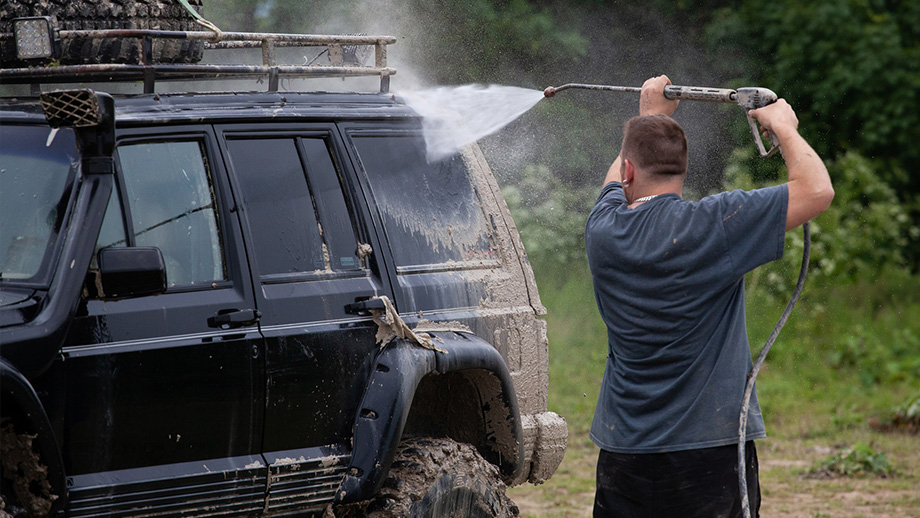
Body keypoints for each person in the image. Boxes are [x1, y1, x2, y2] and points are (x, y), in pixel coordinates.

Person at [585, 75, 834, 518]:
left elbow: (613, 183)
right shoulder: (716, 225)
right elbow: (816, 191)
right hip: (709, 454)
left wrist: (649, 117)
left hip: (625, 454)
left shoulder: (602, 230)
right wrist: (785, 129)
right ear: (682, 170)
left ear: (628, 171)